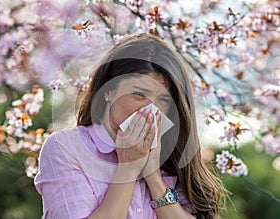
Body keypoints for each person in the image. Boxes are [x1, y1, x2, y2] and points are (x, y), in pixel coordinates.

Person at [34, 33, 226, 219]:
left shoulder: (174, 158)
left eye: (163, 99)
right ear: (108, 90)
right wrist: (128, 168)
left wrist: (154, 177)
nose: (151, 108)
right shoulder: (66, 148)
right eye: (139, 95)